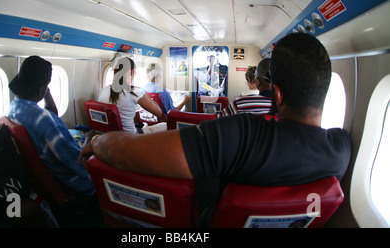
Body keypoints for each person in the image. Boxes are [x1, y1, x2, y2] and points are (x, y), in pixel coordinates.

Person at [79, 33, 351, 222]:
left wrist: (99, 142)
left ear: (276, 94)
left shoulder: (240, 134)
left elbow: (135, 153)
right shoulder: (342, 148)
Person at [8, 56, 95, 197]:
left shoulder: (16, 107)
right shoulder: (42, 120)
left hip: (48, 171)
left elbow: (52, 114)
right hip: (74, 181)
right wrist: (88, 141)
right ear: (42, 90)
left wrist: (45, 91)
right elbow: (77, 162)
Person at [98, 56, 166, 134]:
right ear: (131, 72)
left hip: (108, 135)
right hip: (130, 137)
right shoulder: (135, 92)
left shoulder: (103, 90)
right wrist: (142, 92)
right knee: (165, 125)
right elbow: (159, 112)